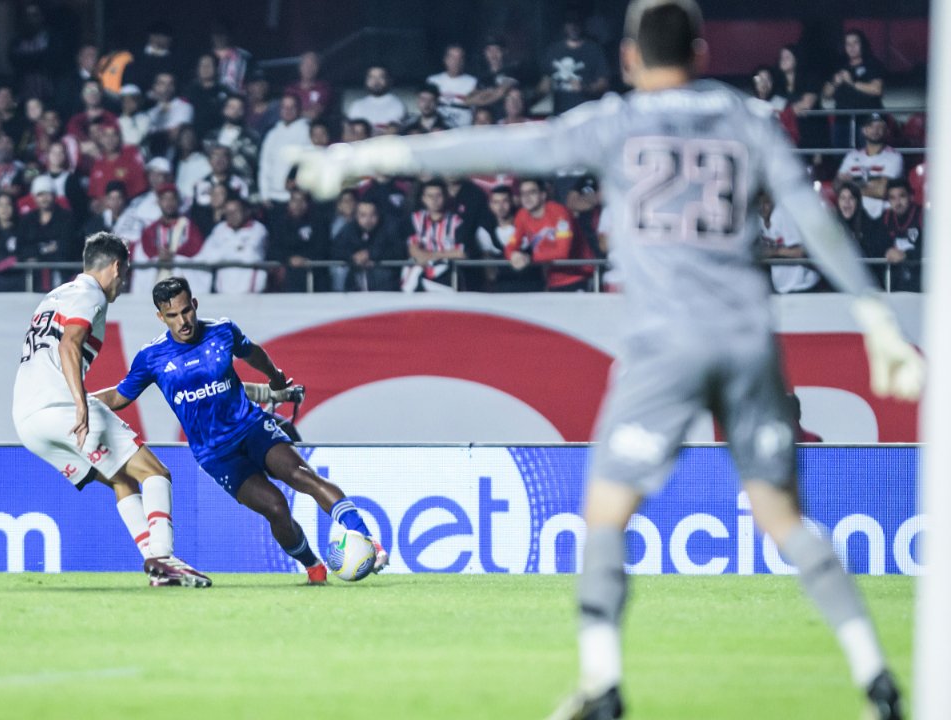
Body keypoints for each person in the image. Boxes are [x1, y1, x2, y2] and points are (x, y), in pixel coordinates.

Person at [289, 1, 921, 717]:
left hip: (666, 343)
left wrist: (361, 157)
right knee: (783, 518)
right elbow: (809, 213)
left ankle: (602, 684)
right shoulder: (746, 118)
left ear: (627, 58)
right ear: (703, 53)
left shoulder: (616, 122)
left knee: (606, 515)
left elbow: (499, 147)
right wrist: (874, 313)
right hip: (748, 340)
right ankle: (877, 679)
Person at [92, 275, 389, 585]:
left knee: (302, 476)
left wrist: (276, 378)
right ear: (160, 317)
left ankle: (368, 540)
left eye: (186, 311)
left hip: (252, 427)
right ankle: (313, 566)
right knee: (276, 507)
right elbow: (119, 397)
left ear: (195, 304)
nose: (182, 321)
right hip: (216, 455)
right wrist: (76, 403)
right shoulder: (151, 358)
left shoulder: (222, 331)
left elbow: (252, 352)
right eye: (172, 315)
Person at [12, 232, 211, 587]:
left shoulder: (54, 296)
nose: (124, 282)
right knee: (156, 473)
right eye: (126, 273)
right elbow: (70, 345)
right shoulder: (91, 294)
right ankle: (165, 558)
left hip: (27, 420)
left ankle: (156, 565)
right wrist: (80, 404)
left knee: (122, 479)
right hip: (61, 406)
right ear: (117, 267)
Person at [132, 183, 206, 294]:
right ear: (159, 202)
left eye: (172, 199)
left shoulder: (189, 227)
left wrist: (174, 256)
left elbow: (195, 250)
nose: (169, 203)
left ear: (178, 202)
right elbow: (145, 253)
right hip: (157, 284)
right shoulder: (150, 230)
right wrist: (158, 256)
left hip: (180, 284)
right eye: (165, 199)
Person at [192, 195, 268, 293]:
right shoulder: (219, 229)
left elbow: (250, 255)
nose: (232, 215)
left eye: (236, 211)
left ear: (245, 211)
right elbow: (207, 256)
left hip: (250, 292)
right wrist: (236, 249)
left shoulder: (258, 229)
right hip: (224, 292)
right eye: (228, 212)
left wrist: (223, 250)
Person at [822, 29, 885, 149]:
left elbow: (877, 89)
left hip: (867, 121)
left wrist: (852, 82)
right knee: (841, 155)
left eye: (855, 43)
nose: (852, 47)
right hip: (842, 120)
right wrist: (835, 82)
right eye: (848, 44)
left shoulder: (872, 64)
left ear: (862, 45)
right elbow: (826, 94)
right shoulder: (839, 66)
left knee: (866, 154)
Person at [539, 12, 611, 115]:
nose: (573, 27)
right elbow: (545, 81)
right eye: (570, 23)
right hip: (560, 114)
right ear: (564, 26)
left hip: (586, 115)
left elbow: (604, 83)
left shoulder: (593, 50)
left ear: (582, 25)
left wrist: (585, 88)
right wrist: (541, 90)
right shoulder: (553, 51)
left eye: (576, 23)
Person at [836, 112, 902, 219]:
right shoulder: (852, 156)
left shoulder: (894, 157)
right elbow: (837, 185)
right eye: (871, 126)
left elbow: (883, 190)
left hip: (881, 217)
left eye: (879, 126)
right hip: (852, 216)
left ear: (886, 130)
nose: (875, 130)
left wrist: (850, 184)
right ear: (864, 130)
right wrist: (872, 185)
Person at [18, 175, 74, 292]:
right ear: (34, 197)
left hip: (61, 276)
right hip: (33, 278)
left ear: (54, 195)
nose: (44, 198)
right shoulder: (28, 220)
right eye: (40, 195)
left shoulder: (66, 218)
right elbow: (22, 248)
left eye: (47, 194)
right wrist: (47, 248)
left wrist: (37, 251)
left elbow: (67, 246)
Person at [258, 94, 312, 211]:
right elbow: (265, 164)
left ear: (299, 109)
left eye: (292, 107)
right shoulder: (272, 133)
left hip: (295, 199)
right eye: (284, 107)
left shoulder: (307, 131)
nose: (288, 111)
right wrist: (264, 194)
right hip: (272, 197)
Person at [760, 193, 820, 294]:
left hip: (803, 285)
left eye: (765, 202)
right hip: (782, 286)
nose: (762, 207)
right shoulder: (758, 219)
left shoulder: (783, 214)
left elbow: (800, 251)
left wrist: (774, 252)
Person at [880, 178, 921, 292]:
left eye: (902, 196)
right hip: (895, 284)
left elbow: (935, 248)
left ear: (910, 197)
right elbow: (875, 246)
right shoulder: (886, 217)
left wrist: (906, 255)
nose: (897, 202)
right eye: (892, 198)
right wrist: (886, 251)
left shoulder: (922, 216)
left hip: (922, 283)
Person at [426, 44, 478, 128]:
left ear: (463, 61)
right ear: (445, 60)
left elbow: (476, 111)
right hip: (438, 130)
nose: (456, 62)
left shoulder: (473, 82)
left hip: (463, 130)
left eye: (459, 58)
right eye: (452, 57)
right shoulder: (433, 81)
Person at [345, 66, 406, 134]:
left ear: (388, 80)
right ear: (366, 81)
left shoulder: (397, 104)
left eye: (381, 77)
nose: (376, 81)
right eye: (372, 77)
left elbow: (393, 130)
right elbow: (350, 131)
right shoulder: (357, 105)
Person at [284, 51, 334, 122]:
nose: (308, 68)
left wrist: (293, 112)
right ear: (300, 67)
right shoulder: (291, 89)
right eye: (306, 64)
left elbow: (313, 115)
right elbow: (284, 112)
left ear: (318, 68)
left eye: (312, 64)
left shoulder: (323, 88)